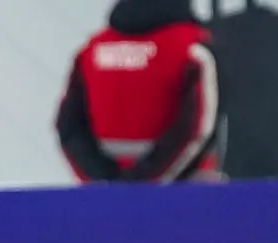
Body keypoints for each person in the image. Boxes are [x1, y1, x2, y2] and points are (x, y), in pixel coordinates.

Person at [56, 0, 224, 183]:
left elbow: (69, 126)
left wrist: (102, 180)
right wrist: (142, 182)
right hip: (185, 193)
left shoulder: (92, 50)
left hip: (109, 195)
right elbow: (196, 128)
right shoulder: (193, 49)